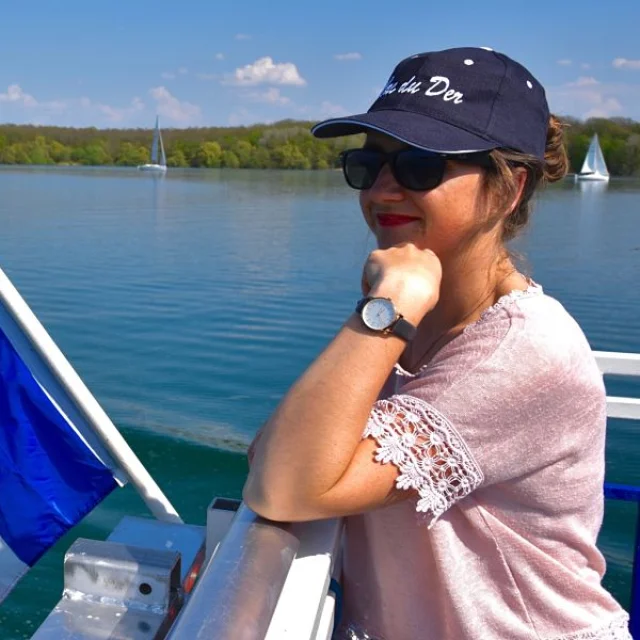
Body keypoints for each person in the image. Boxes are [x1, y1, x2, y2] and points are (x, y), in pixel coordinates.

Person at [243, 47, 632, 640]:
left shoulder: (524, 351)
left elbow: (286, 484)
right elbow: (274, 454)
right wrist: (391, 312)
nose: (383, 190)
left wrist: (386, 309)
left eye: (422, 166)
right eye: (367, 166)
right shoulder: (420, 315)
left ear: (507, 190)